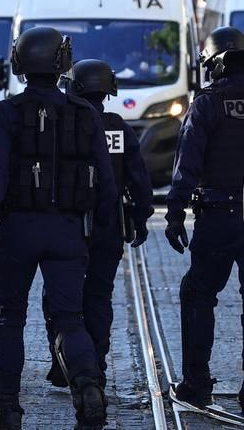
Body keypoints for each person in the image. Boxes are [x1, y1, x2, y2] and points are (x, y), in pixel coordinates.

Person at [0, 27, 118, 430]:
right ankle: (88, 389)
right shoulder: (86, 114)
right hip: (69, 231)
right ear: (62, 63)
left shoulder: (5, 113)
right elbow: (105, 181)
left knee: (8, 319)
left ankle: (7, 409)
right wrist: (102, 233)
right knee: (69, 318)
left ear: (19, 64)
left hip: (18, 230)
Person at [164, 27, 244, 417]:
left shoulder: (207, 104)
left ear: (214, 65)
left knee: (198, 294)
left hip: (218, 219)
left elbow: (187, 163)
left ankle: (197, 383)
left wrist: (174, 213)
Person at [44, 59, 154, 388]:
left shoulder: (61, 122)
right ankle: (98, 363)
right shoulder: (119, 127)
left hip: (67, 223)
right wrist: (141, 217)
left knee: (60, 298)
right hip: (110, 225)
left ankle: (65, 363)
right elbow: (139, 178)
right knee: (99, 297)